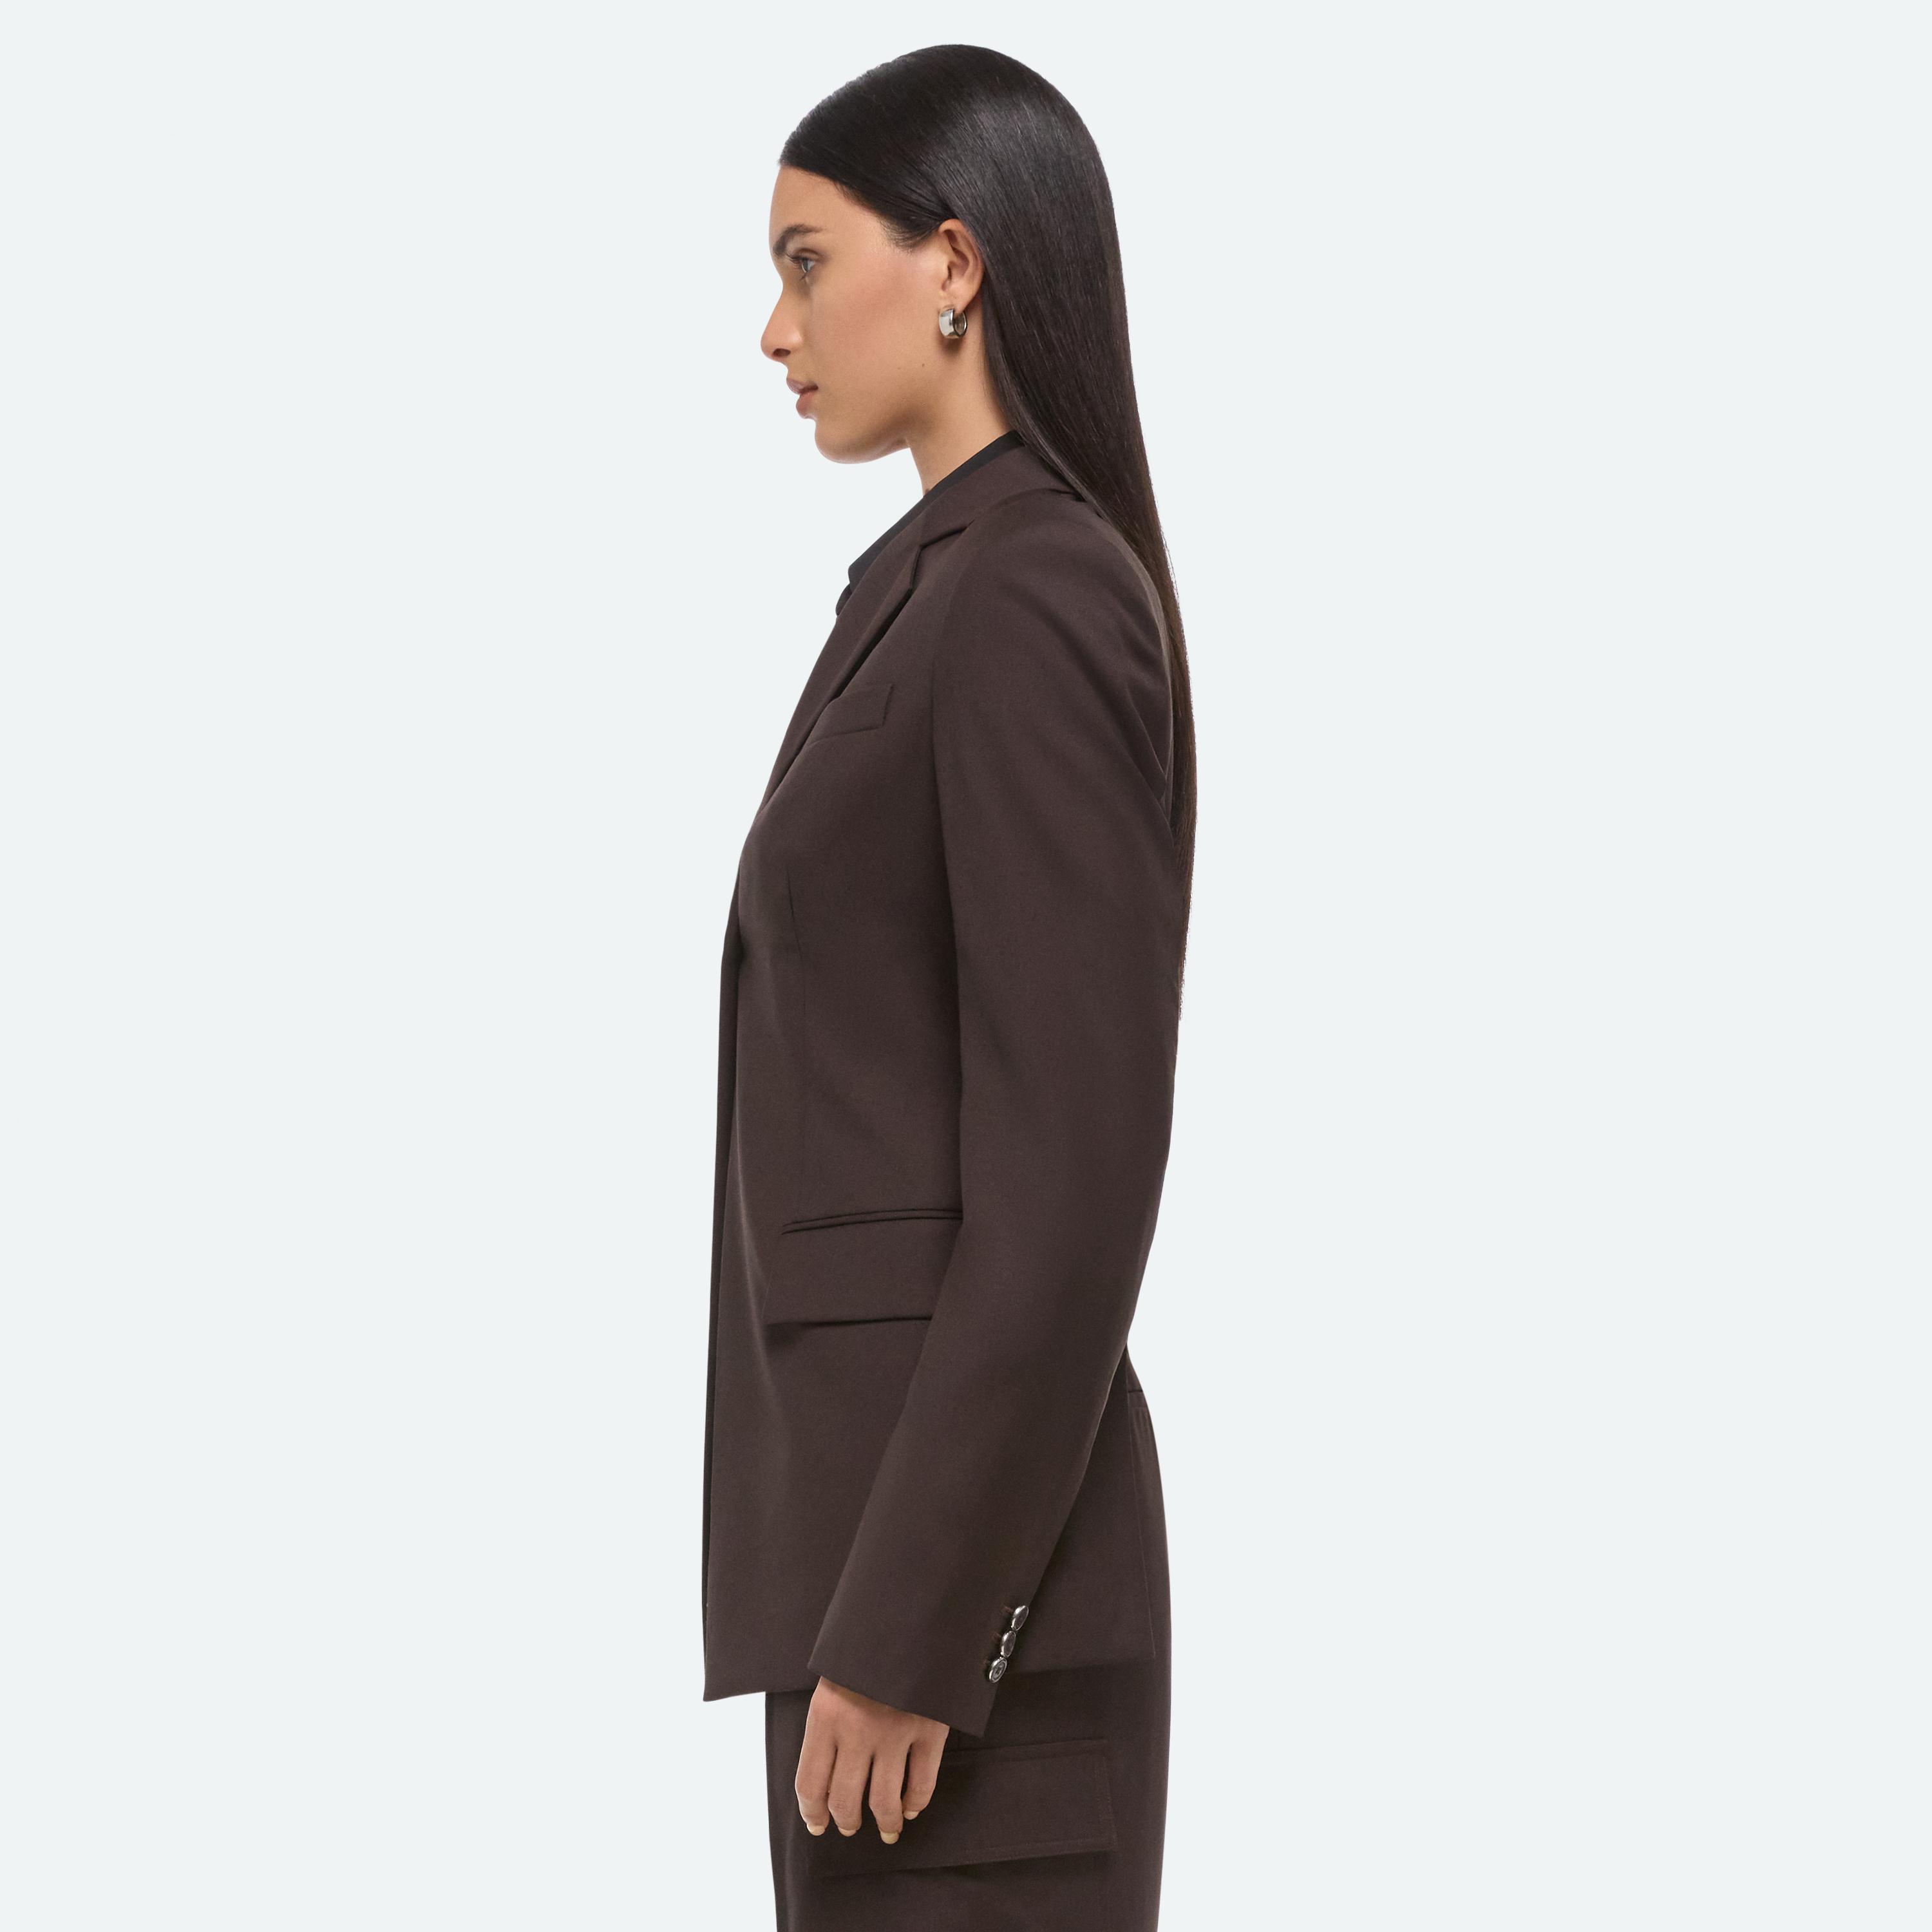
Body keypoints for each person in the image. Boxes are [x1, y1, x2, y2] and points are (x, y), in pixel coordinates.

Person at [699, 44, 1197, 1930]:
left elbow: (1071, 1182)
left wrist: (918, 1624)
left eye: (807, 262)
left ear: (957, 265)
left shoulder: (1029, 592)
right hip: (876, 1612)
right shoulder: (933, 587)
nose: (776, 328)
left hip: (958, 1642)